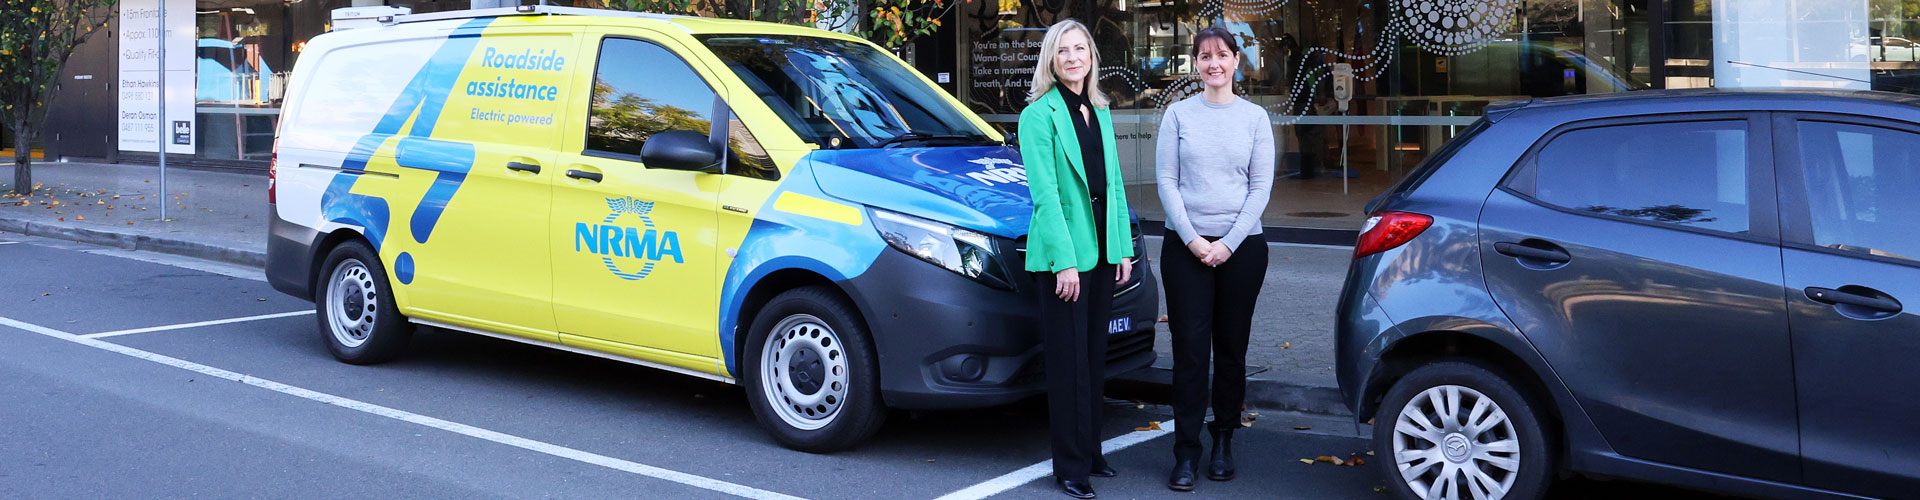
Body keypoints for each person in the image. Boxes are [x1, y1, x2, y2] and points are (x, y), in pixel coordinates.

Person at [1018, 18, 1136, 500]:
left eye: (1080, 48)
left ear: (1091, 56)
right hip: (1065, 258)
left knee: (1093, 359)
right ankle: (1069, 467)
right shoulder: (1038, 115)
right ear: (1051, 59)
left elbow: (1114, 186)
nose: (1072, 57)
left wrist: (1123, 246)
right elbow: (1045, 196)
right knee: (1068, 365)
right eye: (1062, 50)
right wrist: (1065, 262)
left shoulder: (1099, 110)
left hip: (1103, 253)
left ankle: (1091, 451)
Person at [1153, 27, 1274, 492]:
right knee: (1188, 351)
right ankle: (1186, 451)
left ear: (1236, 60)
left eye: (1222, 55)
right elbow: (1167, 180)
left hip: (1242, 249)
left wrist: (1227, 243)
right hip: (1185, 249)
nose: (1214, 64)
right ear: (1195, 65)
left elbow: (1260, 188)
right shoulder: (1178, 114)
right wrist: (1192, 239)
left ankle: (1223, 438)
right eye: (1204, 57)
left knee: (1230, 349)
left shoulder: (1255, 118)